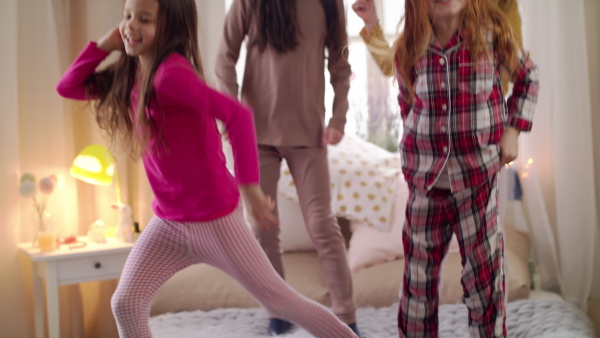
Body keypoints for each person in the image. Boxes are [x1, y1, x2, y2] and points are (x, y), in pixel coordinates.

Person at [56, 0, 358, 337]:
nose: (131, 26)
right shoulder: (131, 75)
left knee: (281, 302)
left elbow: (238, 115)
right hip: (169, 222)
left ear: (169, 27)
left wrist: (250, 188)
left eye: (145, 19)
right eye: (127, 17)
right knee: (125, 303)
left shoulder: (170, 75)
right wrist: (104, 45)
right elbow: (67, 87)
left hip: (214, 221)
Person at [352, 0, 539, 337]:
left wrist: (512, 130)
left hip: (477, 183)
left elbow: (529, 79)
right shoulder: (411, 47)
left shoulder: (494, 36)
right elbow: (407, 100)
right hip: (425, 187)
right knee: (417, 287)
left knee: (485, 283)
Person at [215, 0, 360, 336]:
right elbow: (224, 57)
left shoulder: (328, 4)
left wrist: (338, 118)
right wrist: (232, 110)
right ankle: (278, 311)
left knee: (323, 226)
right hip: (254, 136)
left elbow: (340, 63)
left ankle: (347, 318)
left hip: (309, 135)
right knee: (262, 228)